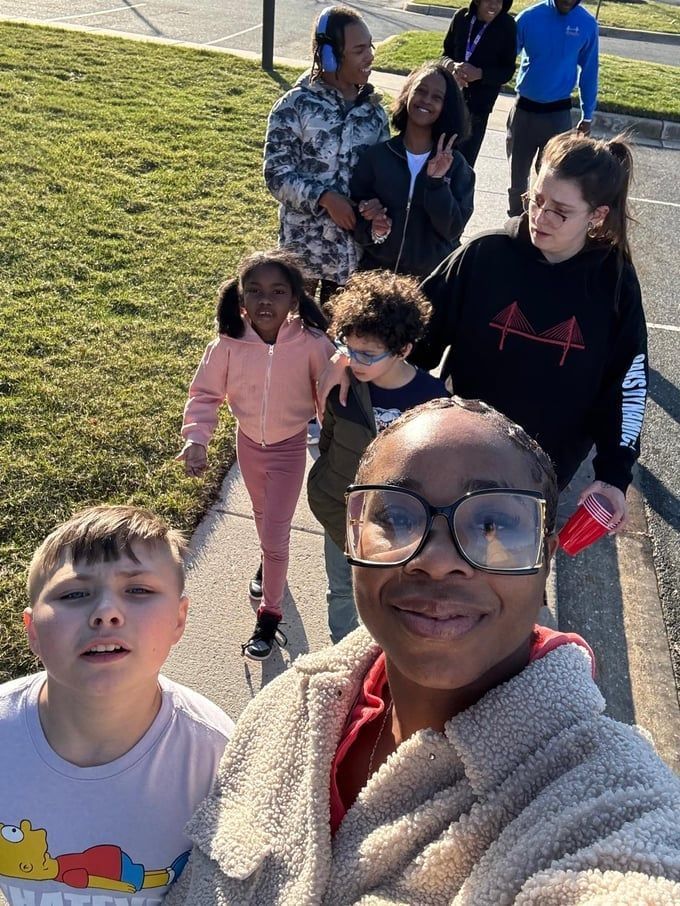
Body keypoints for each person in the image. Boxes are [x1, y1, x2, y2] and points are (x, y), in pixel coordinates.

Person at [165, 398, 680, 904]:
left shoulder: (607, 807)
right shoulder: (289, 705)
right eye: (395, 516)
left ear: (545, 559)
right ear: (352, 537)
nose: (436, 560)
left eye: (493, 525)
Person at [323, 133, 647, 530]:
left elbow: (627, 383)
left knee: (509, 572)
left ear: (596, 215)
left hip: (542, 470)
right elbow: (411, 329)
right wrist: (353, 354)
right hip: (459, 451)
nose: (539, 218)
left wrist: (614, 475)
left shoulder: (614, 283)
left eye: (560, 211)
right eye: (537, 200)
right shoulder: (486, 254)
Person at [0, 505, 233, 904]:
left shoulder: (218, 756)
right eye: (74, 594)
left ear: (179, 619)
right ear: (33, 630)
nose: (106, 612)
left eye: (138, 590)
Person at [177, 249, 333, 661]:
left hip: (289, 449)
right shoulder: (228, 344)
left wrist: (335, 438)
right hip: (248, 445)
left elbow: (331, 392)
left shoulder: (313, 343)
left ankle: (270, 616)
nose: (266, 301)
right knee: (264, 519)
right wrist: (197, 438)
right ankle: (269, 565)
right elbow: (205, 394)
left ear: (295, 299)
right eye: (256, 291)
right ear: (240, 298)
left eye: (278, 292)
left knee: (277, 532)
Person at [307, 271, 447, 644]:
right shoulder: (345, 384)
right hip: (344, 512)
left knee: (394, 593)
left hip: (399, 523)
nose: (354, 361)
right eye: (347, 348)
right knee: (341, 589)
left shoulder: (431, 399)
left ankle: (384, 657)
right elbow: (330, 438)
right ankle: (343, 655)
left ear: (403, 350)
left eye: (367, 354)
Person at [263, 5, 389, 308]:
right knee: (294, 338)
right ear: (331, 56)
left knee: (339, 345)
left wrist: (375, 205)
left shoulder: (374, 113)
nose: (369, 56)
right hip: (303, 253)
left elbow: (382, 176)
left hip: (350, 257)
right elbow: (276, 174)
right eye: (359, 49)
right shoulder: (295, 105)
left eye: (369, 46)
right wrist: (325, 198)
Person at [350, 62, 474, 277]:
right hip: (376, 280)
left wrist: (436, 184)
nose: (426, 100)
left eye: (437, 97)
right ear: (407, 94)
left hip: (431, 284)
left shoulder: (457, 167)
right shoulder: (377, 157)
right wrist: (372, 225)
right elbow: (355, 214)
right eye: (421, 91)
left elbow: (452, 230)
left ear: (447, 107)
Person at [507, 0, 599, 217]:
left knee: (555, 178)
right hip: (524, 113)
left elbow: (589, 72)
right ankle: (515, 222)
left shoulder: (586, 24)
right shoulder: (528, 18)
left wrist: (587, 115)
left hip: (558, 117)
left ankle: (544, 224)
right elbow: (502, 58)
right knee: (517, 178)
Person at [442, 0, 517, 167]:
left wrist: (480, 74)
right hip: (449, 105)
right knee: (438, 159)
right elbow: (444, 55)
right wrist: (452, 67)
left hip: (478, 111)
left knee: (464, 168)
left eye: (499, 1)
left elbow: (507, 70)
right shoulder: (461, 17)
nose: (494, 6)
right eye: (489, 0)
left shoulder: (507, 25)